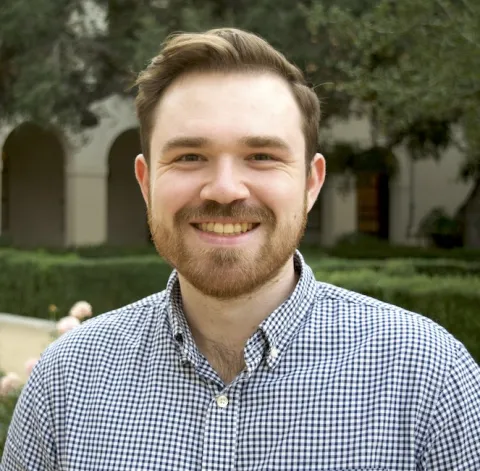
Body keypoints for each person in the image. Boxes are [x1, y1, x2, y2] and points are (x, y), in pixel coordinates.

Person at [2, 27, 480, 471]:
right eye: (190, 156)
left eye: (262, 157)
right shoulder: (64, 383)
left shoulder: (430, 379)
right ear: (146, 183)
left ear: (311, 184)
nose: (225, 189)